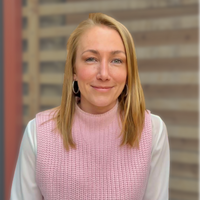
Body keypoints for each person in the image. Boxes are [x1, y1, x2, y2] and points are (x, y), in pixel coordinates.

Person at [10, 13, 169, 200]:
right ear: (74, 70)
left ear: (128, 72)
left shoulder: (152, 131)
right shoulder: (38, 133)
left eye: (116, 60)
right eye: (91, 59)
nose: (103, 73)